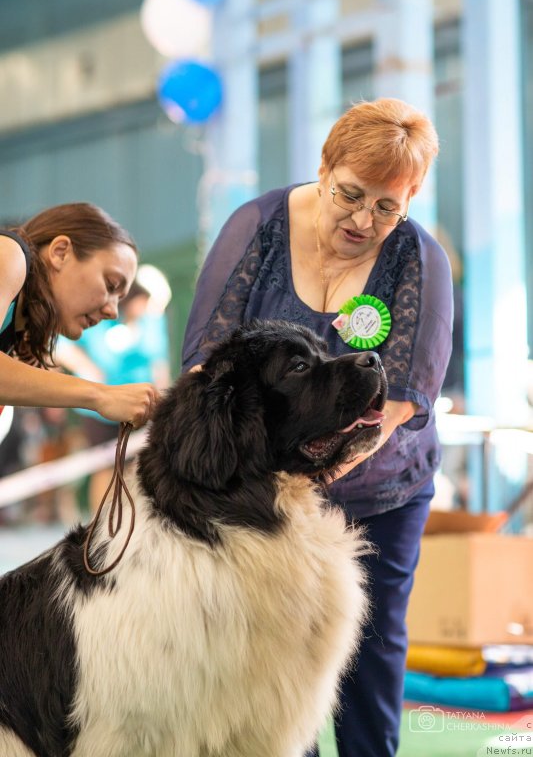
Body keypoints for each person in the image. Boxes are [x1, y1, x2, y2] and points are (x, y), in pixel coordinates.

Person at [182, 98, 453, 757]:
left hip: (378, 491)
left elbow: (389, 410)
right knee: (272, 654)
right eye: (350, 195)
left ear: (409, 198)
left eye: (387, 206)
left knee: (369, 645)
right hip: (266, 493)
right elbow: (205, 368)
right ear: (323, 167)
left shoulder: (419, 260)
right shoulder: (257, 225)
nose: (363, 220)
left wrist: (312, 477)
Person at [0, 203, 159, 429]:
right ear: (60, 252)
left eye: (120, 299)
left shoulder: (14, 333)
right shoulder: (8, 253)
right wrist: (100, 395)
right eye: (111, 284)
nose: (112, 311)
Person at [57, 276, 170, 511]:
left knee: (136, 467)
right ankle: (100, 525)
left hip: (140, 407)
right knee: (104, 466)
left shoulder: (151, 321)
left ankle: (128, 523)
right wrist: (86, 367)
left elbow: (160, 363)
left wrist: (163, 403)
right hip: (99, 410)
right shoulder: (99, 319)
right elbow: (59, 345)